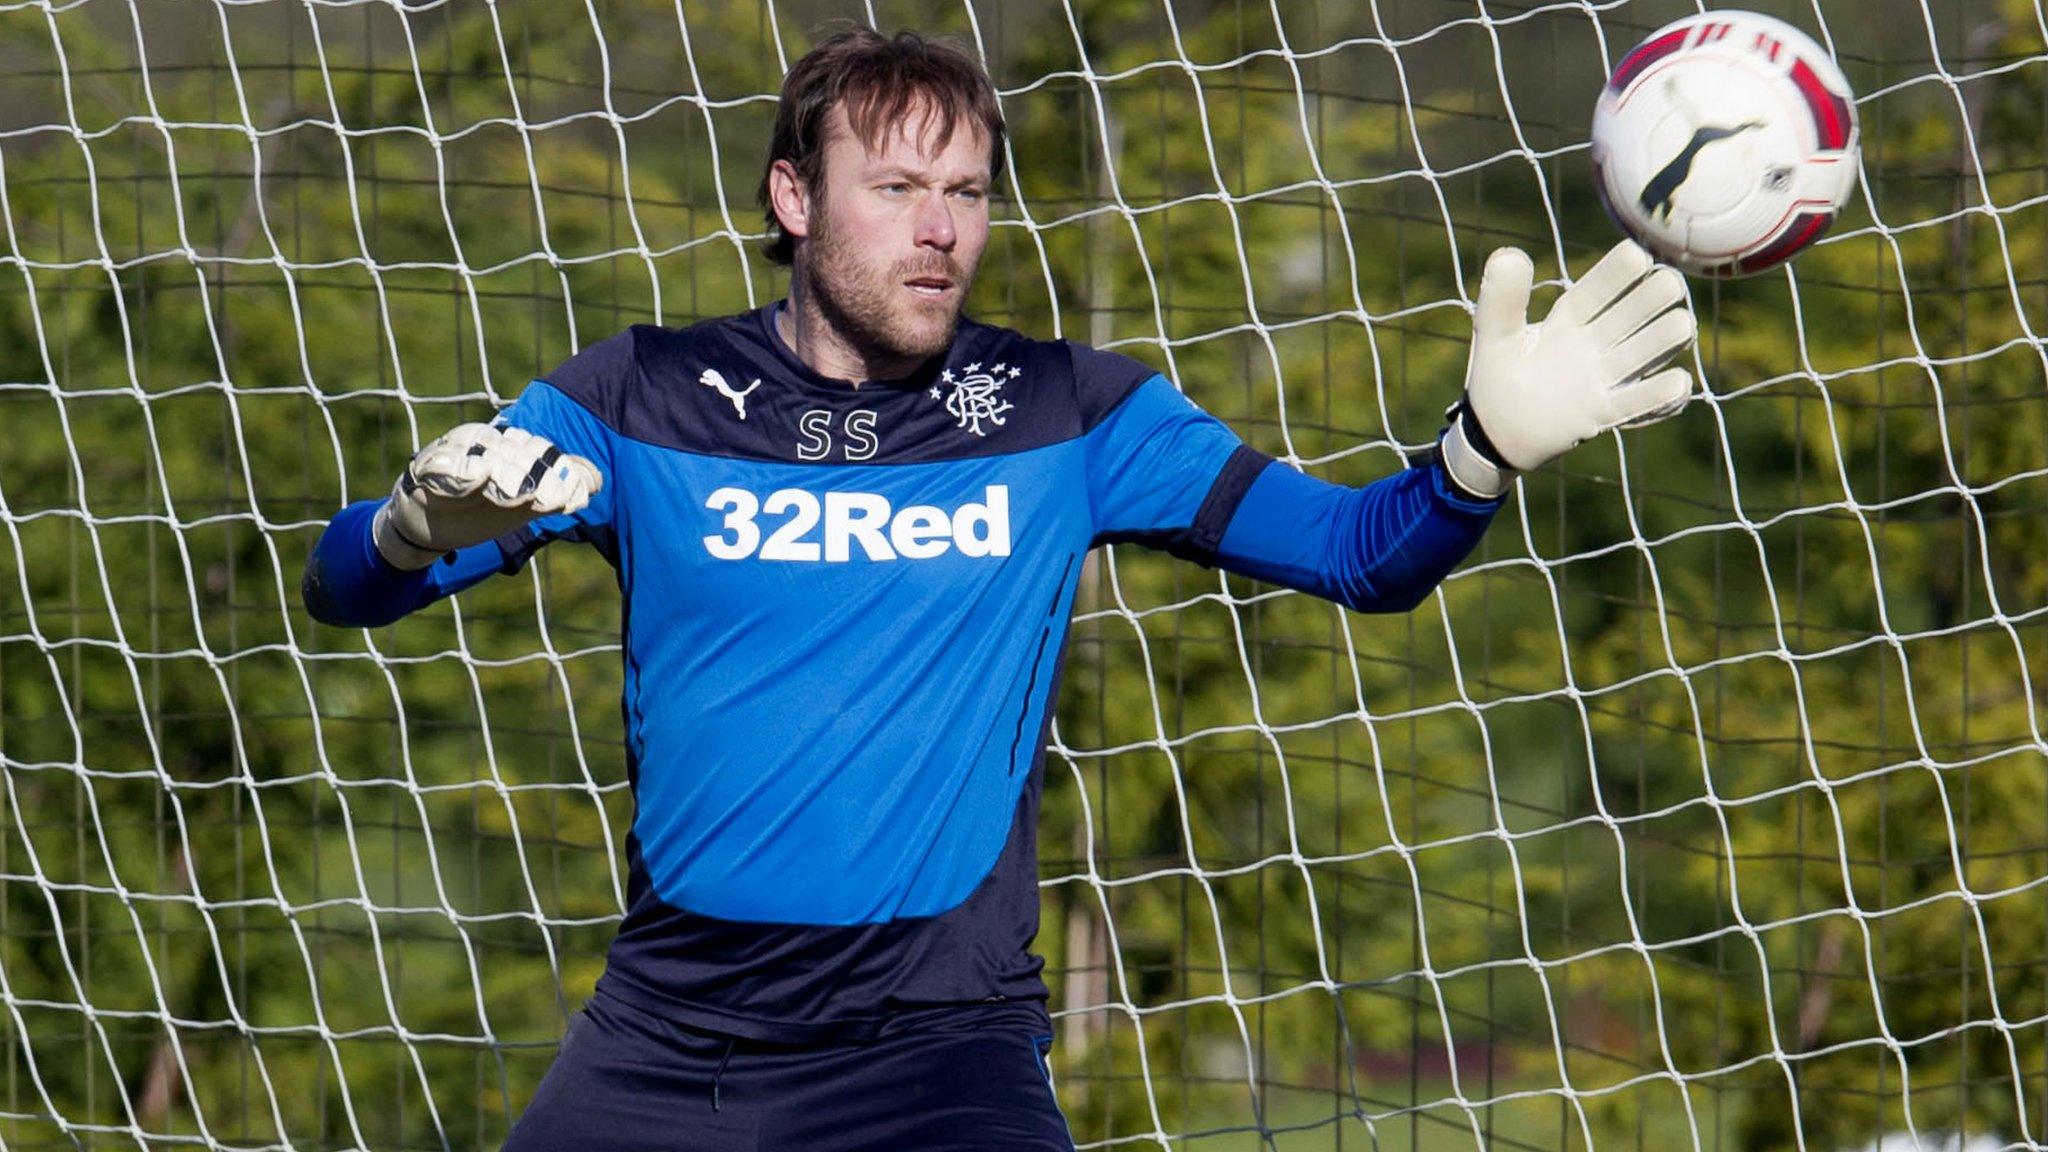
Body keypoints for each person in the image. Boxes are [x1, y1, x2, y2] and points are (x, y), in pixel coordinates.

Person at [301, 27, 1695, 1152]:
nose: (939, 231)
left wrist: (1481, 452)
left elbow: (1358, 555)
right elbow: (346, 590)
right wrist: (411, 529)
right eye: (896, 188)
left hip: (940, 1056)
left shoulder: (1062, 411)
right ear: (795, 198)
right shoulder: (638, 397)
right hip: (672, 1046)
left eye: (965, 193)